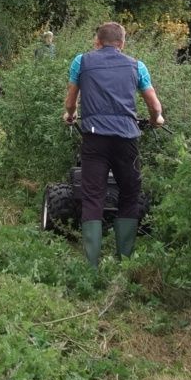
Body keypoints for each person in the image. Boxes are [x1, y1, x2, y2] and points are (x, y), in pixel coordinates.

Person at [62, 21, 164, 268]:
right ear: (122, 43)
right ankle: (125, 260)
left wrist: (71, 114)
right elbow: (154, 105)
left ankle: (92, 265)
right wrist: (155, 119)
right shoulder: (137, 66)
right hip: (126, 138)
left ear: (97, 41)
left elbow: (70, 100)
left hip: (94, 138)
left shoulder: (81, 62)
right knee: (129, 193)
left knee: (92, 195)